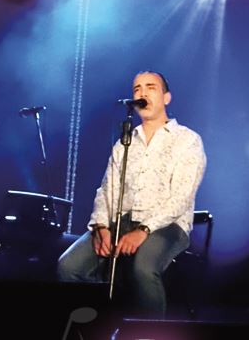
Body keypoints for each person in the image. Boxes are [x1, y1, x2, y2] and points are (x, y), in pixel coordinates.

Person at [57, 71, 206, 319]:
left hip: (167, 226)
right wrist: (101, 226)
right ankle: (91, 326)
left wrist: (144, 230)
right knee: (68, 265)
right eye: (137, 89)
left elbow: (181, 196)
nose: (142, 93)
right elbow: (107, 190)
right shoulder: (125, 143)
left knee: (143, 267)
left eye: (151, 87)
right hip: (121, 221)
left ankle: (147, 334)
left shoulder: (187, 140)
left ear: (166, 97)